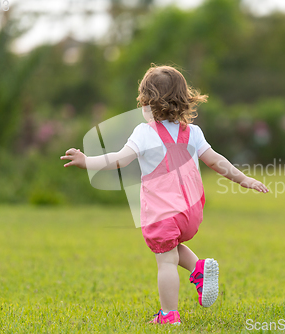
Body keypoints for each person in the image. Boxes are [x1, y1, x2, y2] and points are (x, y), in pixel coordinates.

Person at [60, 65, 269, 325]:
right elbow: (216, 161)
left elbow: (118, 160)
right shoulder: (193, 133)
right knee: (171, 247)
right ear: (184, 100)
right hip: (191, 211)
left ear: (148, 102)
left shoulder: (144, 133)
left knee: (166, 261)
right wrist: (243, 178)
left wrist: (87, 161)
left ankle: (169, 314)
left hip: (162, 211)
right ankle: (199, 269)